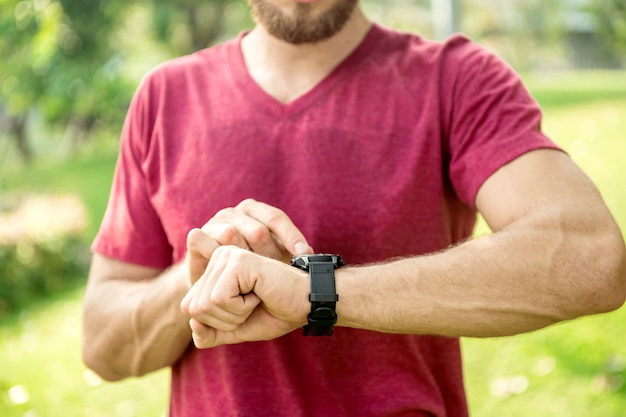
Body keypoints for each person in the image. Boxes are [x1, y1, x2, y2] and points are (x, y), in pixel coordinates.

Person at [82, 1, 626, 416]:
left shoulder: (457, 79)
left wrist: (317, 292)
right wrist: (204, 273)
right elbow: (102, 347)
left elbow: (590, 255)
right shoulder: (163, 97)